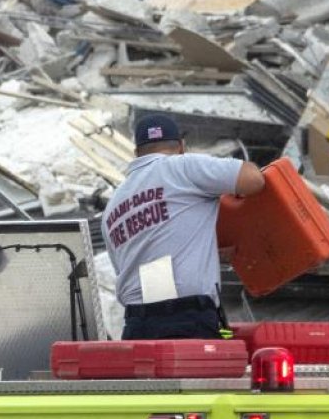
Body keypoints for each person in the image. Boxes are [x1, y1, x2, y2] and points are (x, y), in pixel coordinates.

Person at [101, 113, 265, 340]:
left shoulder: (113, 206)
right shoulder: (183, 166)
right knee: (201, 375)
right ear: (181, 146)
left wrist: (209, 253)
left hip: (137, 326)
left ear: (137, 153)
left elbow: (148, 257)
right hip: (188, 320)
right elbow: (254, 179)